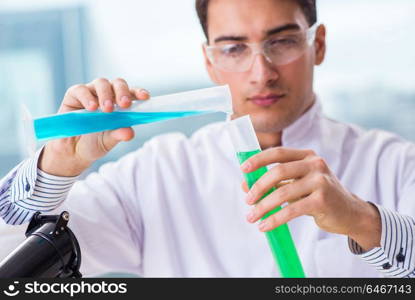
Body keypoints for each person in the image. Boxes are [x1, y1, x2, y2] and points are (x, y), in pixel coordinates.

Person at [0, 0, 414, 277]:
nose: (261, 72)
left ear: (317, 44)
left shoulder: (394, 164)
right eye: (234, 48)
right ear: (209, 62)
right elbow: (11, 259)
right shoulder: (155, 174)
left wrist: (364, 222)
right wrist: (56, 168)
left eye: (283, 41)